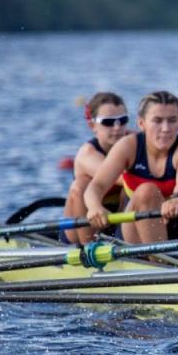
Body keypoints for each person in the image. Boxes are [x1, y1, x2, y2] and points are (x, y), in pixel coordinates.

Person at [84, 90, 178, 243]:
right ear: (142, 123)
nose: (166, 128)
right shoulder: (128, 146)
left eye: (172, 120)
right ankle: (159, 261)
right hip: (135, 232)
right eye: (158, 121)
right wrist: (94, 207)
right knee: (148, 191)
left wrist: (177, 198)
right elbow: (96, 186)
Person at [62, 92, 129, 244]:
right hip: (80, 228)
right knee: (80, 185)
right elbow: (122, 179)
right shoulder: (88, 154)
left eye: (122, 120)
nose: (117, 127)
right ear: (92, 125)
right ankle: (88, 248)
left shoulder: (133, 140)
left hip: (117, 218)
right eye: (108, 122)